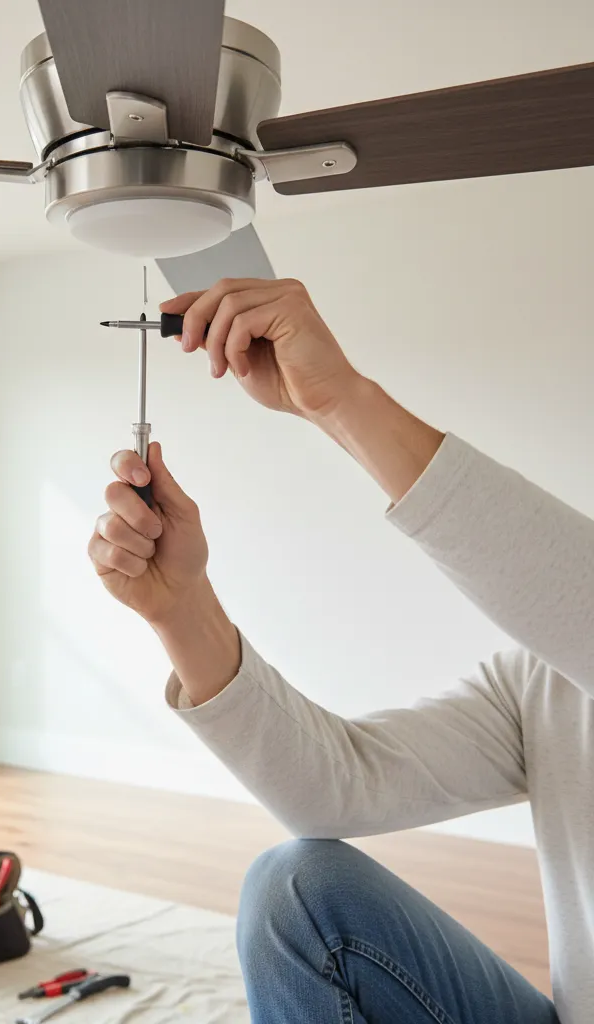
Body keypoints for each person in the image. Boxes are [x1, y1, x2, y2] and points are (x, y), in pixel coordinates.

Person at [88, 278, 592, 1024]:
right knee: (297, 890)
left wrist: (343, 399)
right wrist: (181, 607)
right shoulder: (546, 683)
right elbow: (336, 788)